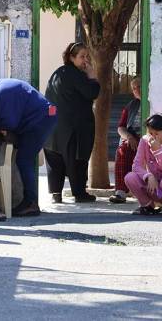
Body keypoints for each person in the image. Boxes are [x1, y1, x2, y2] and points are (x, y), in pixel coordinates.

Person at [0, 78, 58, 216]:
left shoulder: (0, 93)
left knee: (24, 160)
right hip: (42, 117)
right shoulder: (1, 86)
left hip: (41, 120)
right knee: (24, 158)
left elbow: (10, 123)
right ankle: (29, 201)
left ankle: (31, 203)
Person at [43, 42, 100, 203]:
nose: (86, 61)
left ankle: (56, 193)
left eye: (87, 57)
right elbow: (92, 92)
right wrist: (93, 77)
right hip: (73, 128)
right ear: (71, 57)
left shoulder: (58, 73)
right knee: (76, 158)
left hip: (53, 126)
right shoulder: (76, 74)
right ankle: (79, 193)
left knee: (56, 159)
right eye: (82, 57)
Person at [110, 77, 142, 204]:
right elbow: (121, 128)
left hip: (147, 137)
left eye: (139, 86)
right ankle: (120, 192)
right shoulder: (131, 105)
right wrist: (129, 137)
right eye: (134, 88)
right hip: (132, 137)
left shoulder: (153, 101)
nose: (137, 90)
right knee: (122, 150)